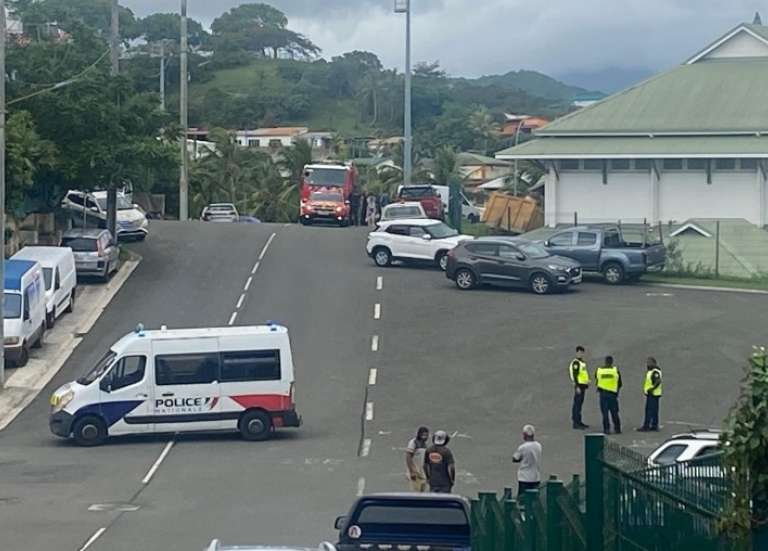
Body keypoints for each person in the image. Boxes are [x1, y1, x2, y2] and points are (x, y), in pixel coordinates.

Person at [513, 424, 542, 497]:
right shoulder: (538, 446)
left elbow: (515, 458)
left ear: (525, 435)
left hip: (524, 477)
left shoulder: (523, 447)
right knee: (535, 498)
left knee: (522, 498)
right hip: (536, 477)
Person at [596, 356, 622, 434]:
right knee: (614, 412)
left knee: (605, 413)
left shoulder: (599, 371)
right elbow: (619, 383)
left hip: (603, 394)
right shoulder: (615, 371)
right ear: (612, 362)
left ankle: (606, 429)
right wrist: (616, 391)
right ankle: (617, 428)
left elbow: (597, 380)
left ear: (605, 362)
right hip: (612, 394)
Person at [637, 357, 662, 432]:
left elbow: (658, 381)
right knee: (654, 411)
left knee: (649, 411)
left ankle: (646, 426)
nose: (647, 364)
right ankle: (654, 425)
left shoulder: (655, 372)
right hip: (653, 394)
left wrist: (651, 389)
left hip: (653, 394)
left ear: (654, 363)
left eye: (649, 363)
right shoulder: (652, 371)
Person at [569, 345, 590, 430]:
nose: (580, 354)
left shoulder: (581, 362)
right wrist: (577, 386)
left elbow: (583, 374)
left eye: (582, 353)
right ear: (576, 353)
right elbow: (575, 375)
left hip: (582, 385)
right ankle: (576, 422)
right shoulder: (576, 363)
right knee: (577, 404)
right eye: (579, 352)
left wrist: (587, 381)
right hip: (579, 386)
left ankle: (579, 421)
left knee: (579, 404)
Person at [405, 426, 430, 492]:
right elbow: (408, 457)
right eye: (423, 435)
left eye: (426, 435)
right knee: (415, 493)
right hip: (415, 473)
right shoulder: (413, 442)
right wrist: (412, 471)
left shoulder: (425, 445)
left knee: (422, 493)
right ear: (419, 434)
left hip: (422, 474)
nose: (425, 437)